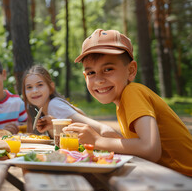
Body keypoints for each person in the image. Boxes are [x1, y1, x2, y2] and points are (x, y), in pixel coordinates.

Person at [65, 28, 192, 176]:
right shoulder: (123, 101)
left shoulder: (133, 93)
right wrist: (111, 139)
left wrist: (96, 140)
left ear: (131, 70)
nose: (99, 80)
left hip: (184, 179)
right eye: (91, 73)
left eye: (108, 69)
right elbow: (138, 146)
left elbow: (150, 149)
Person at [22, 65, 120, 138]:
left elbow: (100, 128)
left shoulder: (55, 105)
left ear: (51, 87)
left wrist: (123, 143)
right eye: (29, 87)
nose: (34, 91)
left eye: (40, 85)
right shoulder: (44, 111)